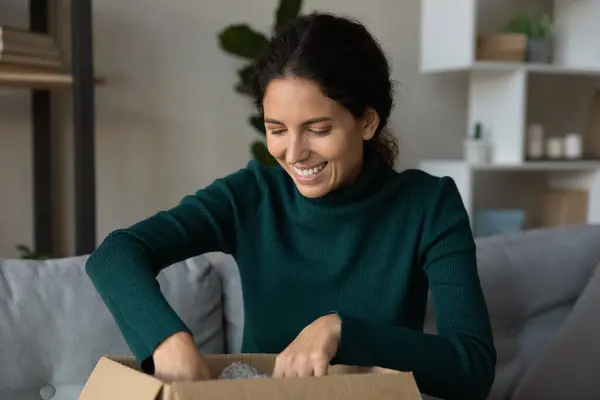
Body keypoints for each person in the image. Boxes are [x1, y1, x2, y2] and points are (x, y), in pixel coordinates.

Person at [86, 12, 496, 400]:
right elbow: (116, 254)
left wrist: (340, 332)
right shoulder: (252, 195)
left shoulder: (428, 204)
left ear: (368, 122)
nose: (295, 153)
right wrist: (168, 341)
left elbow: (472, 369)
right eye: (277, 130)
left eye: (318, 129)